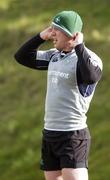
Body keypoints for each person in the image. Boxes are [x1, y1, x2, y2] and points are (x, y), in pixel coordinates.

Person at [14, 10, 103, 180]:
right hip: (50, 133)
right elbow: (22, 56)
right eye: (52, 28)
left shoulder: (90, 58)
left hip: (72, 135)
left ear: (72, 35)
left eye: (57, 29)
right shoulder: (54, 56)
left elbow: (90, 77)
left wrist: (79, 46)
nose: (52, 33)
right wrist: (41, 36)